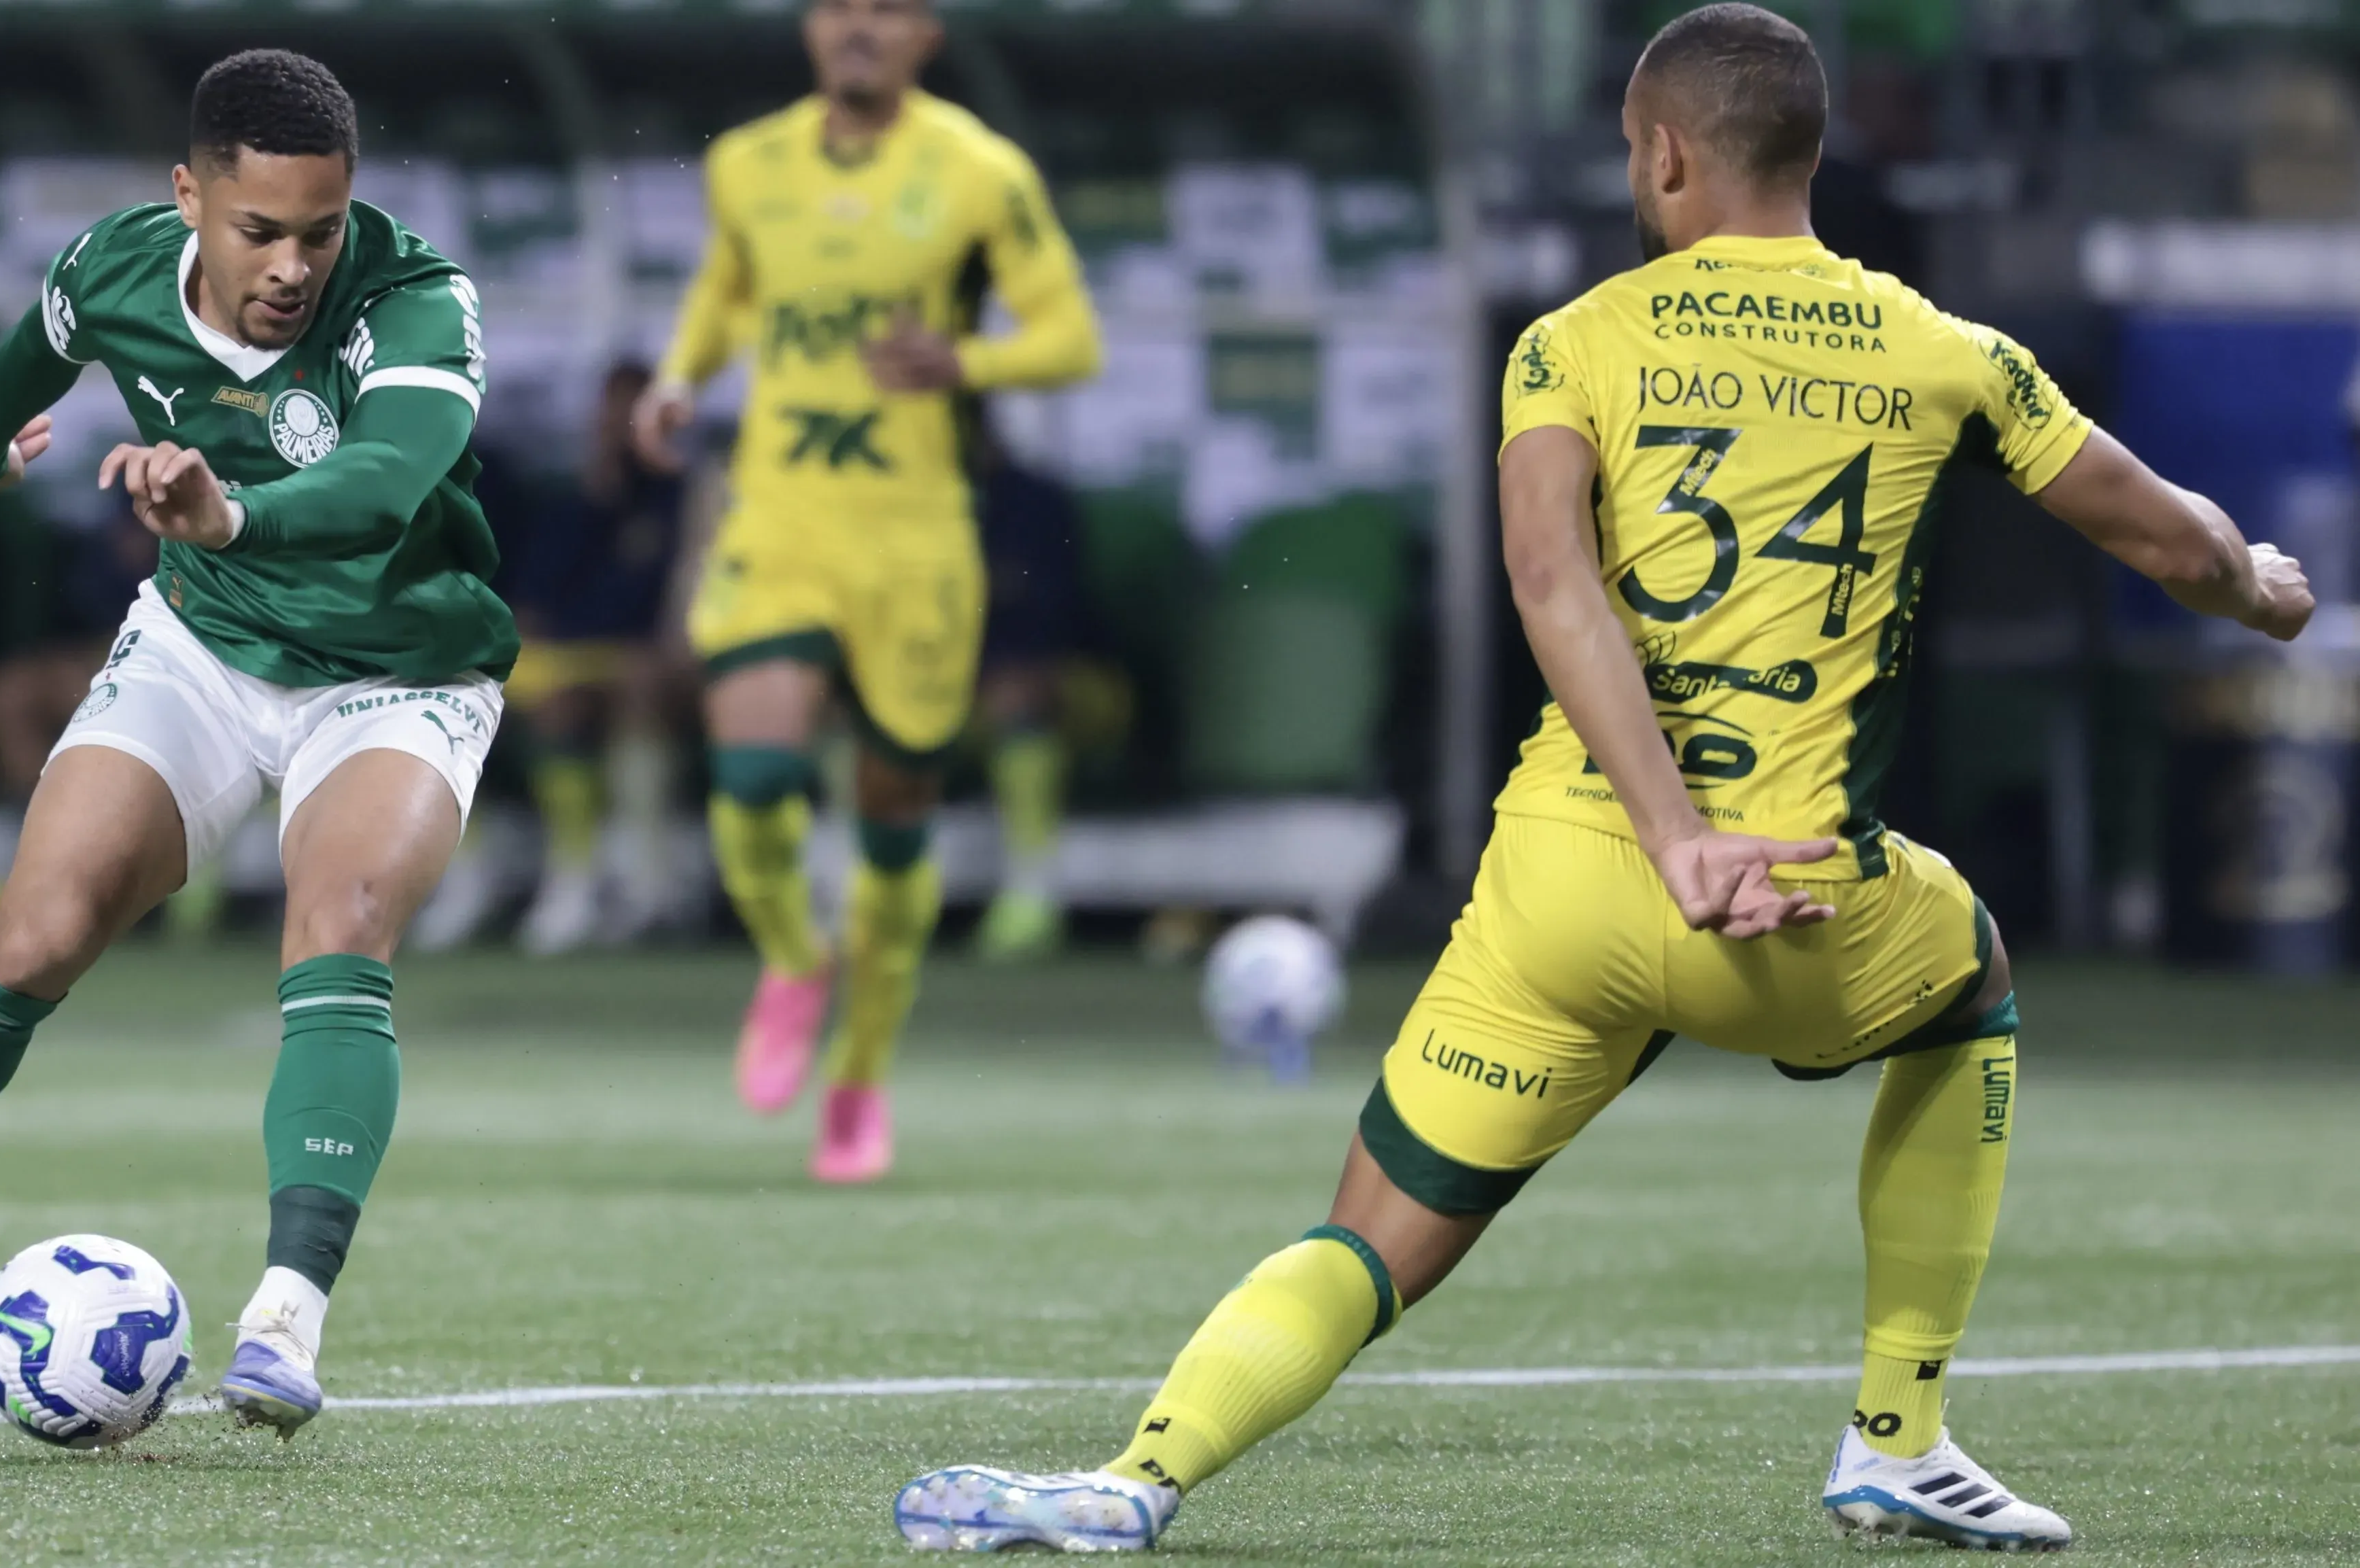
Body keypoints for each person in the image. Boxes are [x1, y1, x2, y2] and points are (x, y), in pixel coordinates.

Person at [894, 5, 2314, 1552]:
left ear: (1661, 152)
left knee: (1369, 1233)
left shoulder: (1571, 341)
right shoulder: (1946, 351)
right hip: (1793, 906)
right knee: (1969, 979)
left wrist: (1659, 830)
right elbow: (2174, 540)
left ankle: (1136, 1473)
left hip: (1564, 888)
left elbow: (1551, 581)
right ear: (1812, 154)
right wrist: (2261, 589)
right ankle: (1897, 1432)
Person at [0, 49, 514, 1441]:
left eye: (320, 230)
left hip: (398, 667)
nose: (294, 264)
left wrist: (231, 514)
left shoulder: (419, 299)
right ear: (189, 196)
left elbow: (383, 483)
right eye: (259, 230)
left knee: (340, 921)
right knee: (36, 933)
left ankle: (284, 1321)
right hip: (202, 645)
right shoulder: (106, 272)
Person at [634, 0, 1102, 1183]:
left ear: (925, 36)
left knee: (895, 814)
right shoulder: (747, 165)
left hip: (913, 536)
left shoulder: (977, 172)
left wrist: (967, 361)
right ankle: (793, 956)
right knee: (752, 772)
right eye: (842, 6)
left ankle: (858, 1078)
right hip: (782, 512)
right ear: (811, 26)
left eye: (888, 12)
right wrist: (679, 376)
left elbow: (1069, 336)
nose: (860, 29)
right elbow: (729, 293)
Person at [506, 360, 693, 954]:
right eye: (613, 411)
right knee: (481, 690)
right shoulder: (569, 497)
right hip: (568, 658)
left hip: (645, 662)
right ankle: (573, 875)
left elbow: (678, 611)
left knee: (635, 684)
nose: (621, 425)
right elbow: (532, 606)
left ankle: (646, 876)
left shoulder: (682, 495)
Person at [965, 401, 1086, 961]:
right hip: (947, 694)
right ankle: (851, 890)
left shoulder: (1035, 502)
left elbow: (1057, 622)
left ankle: (1033, 889)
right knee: (850, 705)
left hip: (1081, 686)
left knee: (1016, 691)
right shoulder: (910, 509)